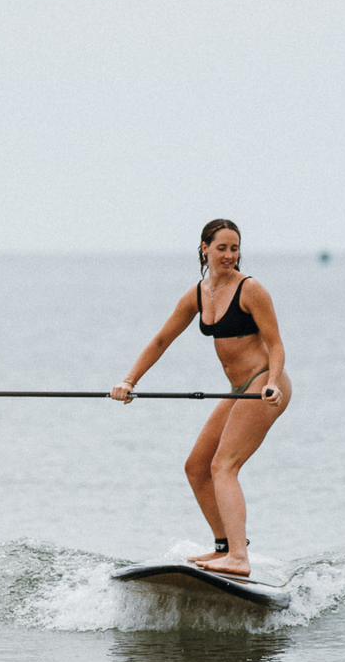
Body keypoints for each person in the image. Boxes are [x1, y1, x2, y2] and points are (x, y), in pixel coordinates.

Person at [110, 219, 291, 576]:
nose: (229, 255)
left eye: (235, 248)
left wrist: (272, 383)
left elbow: (276, 344)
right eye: (221, 248)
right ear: (204, 248)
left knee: (224, 466)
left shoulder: (251, 290)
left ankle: (239, 557)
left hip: (263, 386)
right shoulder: (197, 294)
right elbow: (161, 340)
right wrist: (129, 380)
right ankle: (223, 546)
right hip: (238, 390)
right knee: (196, 467)